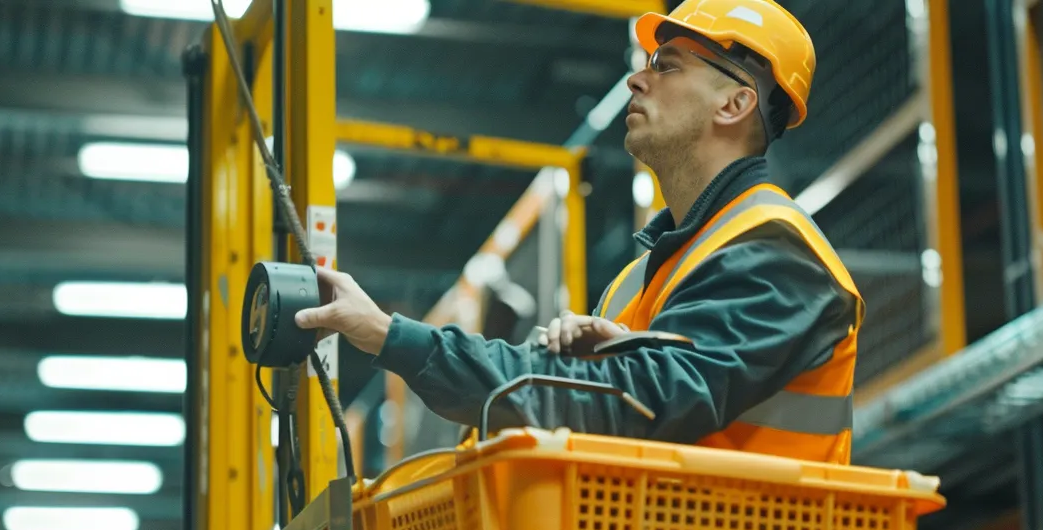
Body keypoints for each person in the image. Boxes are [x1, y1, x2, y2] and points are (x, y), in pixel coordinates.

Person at [295, 0, 865, 464]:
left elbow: (634, 405)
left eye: (667, 65)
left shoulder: (776, 250)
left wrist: (388, 335)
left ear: (736, 102)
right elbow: (584, 402)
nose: (636, 81)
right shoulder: (640, 279)